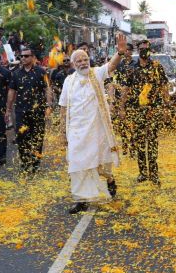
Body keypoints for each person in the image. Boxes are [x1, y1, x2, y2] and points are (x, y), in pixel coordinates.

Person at [59, 34, 128, 213]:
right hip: (75, 132)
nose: (83, 63)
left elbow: (111, 65)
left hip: (96, 130)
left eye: (85, 59)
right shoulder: (69, 81)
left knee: (100, 163)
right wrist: (62, 132)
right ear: (74, 64)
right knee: (76, 165)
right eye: (79, 61)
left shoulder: (96, 74)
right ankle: (81, 200)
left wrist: (119, 53)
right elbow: (63, 107)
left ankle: (110, 179)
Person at [119, 40, 168, 185]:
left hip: (153, 109)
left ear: (150, 50)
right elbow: (126, 90)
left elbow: (164, 87)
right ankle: (142, 172)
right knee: (139, 141)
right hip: (137, 110)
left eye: (146, 49)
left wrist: (166, 107)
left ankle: (153, 173)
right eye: (141, 49)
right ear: (137, 50)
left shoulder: (157, 67)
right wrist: (121, 108)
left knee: (152, 141)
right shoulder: (132, 69)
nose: (144, 51)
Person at [6, 47, 52, 176]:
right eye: (21, 56)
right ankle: (25, 163)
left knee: (37, 138)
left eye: (26, 56)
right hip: (21, 111)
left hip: (38, 111)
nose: (23, 58)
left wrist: (48, 104)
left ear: (32, 57)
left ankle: (35, 164)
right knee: (22, 138)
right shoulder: (16, 73)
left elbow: (47, 89)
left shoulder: (41, 72)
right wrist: (8, 109)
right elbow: (11, 91)